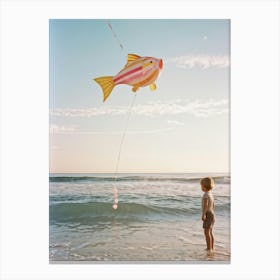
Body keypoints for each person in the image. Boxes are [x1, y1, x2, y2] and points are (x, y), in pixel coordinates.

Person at [200, 177, 215, 251]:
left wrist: (203, 214)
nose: (201, 187)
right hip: (212, 213)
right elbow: (213, 205)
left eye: (201, 185)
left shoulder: (205, 195)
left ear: (204, 186)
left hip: (208, 213)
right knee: (210, 231)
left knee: (206, 232)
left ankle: (209, 248)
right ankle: (211, 247)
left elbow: (205, 205)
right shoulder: (211, 194)